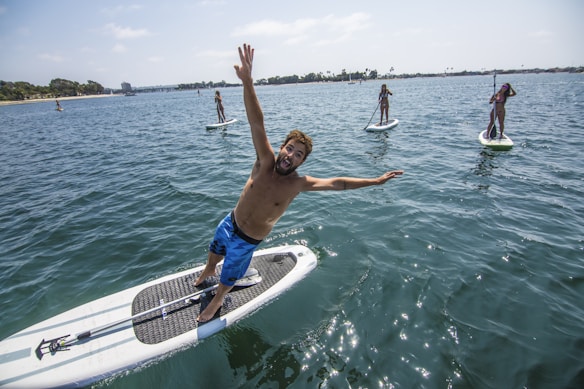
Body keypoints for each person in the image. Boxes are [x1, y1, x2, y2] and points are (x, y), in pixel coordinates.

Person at [194, 43, 404, 323]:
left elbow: (338, 183)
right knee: (214, 250)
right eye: (290, 148)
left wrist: (375, 181)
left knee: (230, 273)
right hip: (231, 221)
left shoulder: (298, 183)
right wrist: (248, 82)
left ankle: (218, 299)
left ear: (301, 162)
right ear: (282, 147)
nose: (291, 155)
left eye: (298, 155)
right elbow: (257, 123)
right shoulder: (264, 161)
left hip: (248, 239)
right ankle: (209, 269)